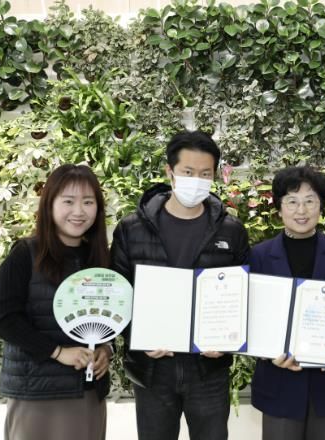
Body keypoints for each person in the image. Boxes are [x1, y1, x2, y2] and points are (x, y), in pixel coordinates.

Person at [110, 130, 250, 440]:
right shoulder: (132, 229)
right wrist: (138, 336)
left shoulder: (231, 231)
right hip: (153, 369)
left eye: (205, 174)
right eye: (188, 172)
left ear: (214, 176)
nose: (196, 180)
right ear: (169, 171)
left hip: (208, 369)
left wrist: (228, 340)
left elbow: (243, 296)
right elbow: (117, 295)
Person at [0, 164, 112, 440]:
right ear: (49, 205)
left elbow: (110, 316)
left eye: (88, 202)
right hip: (36, 391)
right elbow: (5, 320)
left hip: (87, 391)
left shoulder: (100, 259)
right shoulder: (25, 254)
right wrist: (58, 352)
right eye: (68, 201)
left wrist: (106, 349)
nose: (79, 211)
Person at [249, 166, 325, 440]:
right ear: (279, 207)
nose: (302, 210)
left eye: (310, 201)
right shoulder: (259, 256)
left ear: (321, 206)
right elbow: (251, 317)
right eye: (292, 201)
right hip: (279, 381)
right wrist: (267, 352)